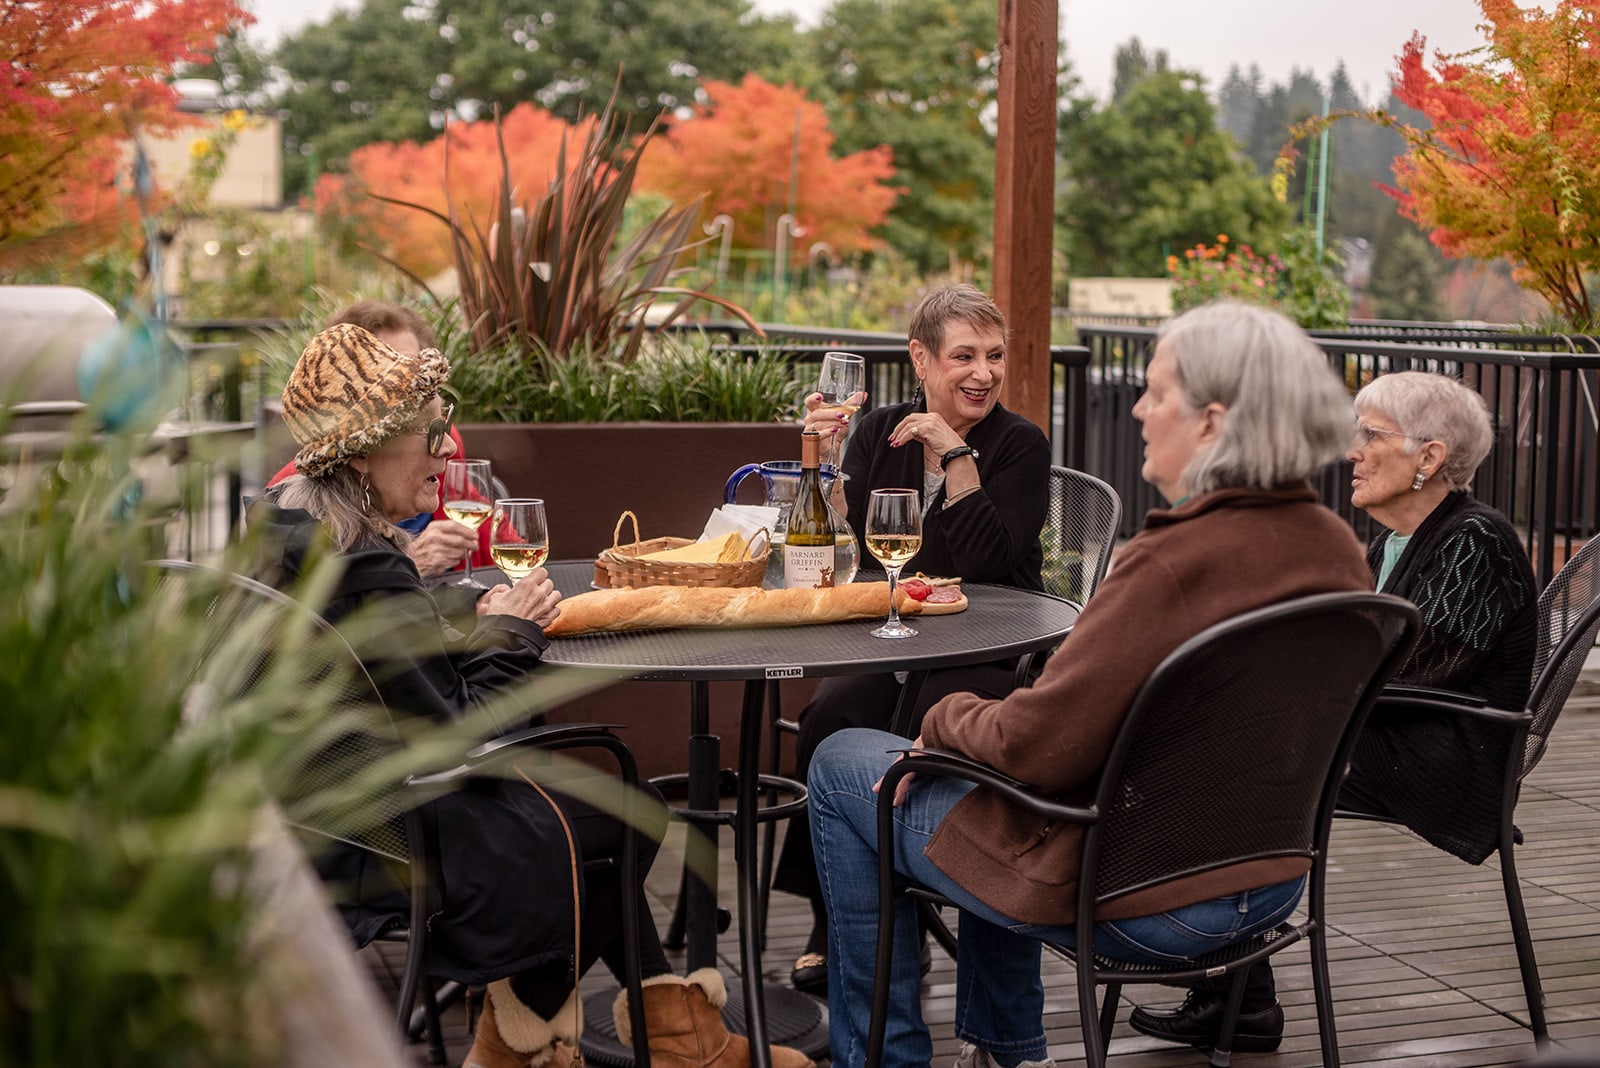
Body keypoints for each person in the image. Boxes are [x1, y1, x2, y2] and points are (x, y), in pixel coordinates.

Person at [807, 300, 1373, 1068]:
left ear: (1210, 422)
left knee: (843, 763)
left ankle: (887, 1058)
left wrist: (945, 718)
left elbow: (1032, 746)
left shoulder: (1170, 562)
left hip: (1148, 887)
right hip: (1271, 879)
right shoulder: (1338, 551)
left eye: (1157, 391)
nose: (1138, 408)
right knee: (962, 772)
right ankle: (1009, 1049)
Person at [251, 323, 814, 1068]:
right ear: (362, 450)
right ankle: (533, 1047)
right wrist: (513, 634)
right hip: (397, 843)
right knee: (624, 812)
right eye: (431, 433)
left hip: (324, 819)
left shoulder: (288, 530)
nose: (448, 450)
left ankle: (668, 1036)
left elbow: (380, 670)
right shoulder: (365, 568)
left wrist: (453, 618)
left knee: (602, 815)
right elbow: (457, 732)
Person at [1129, 370, 1539, 1055]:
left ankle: (1224, 982)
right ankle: (1233, 990)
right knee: (1219, 743)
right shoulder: (1396, 541)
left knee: (1229, 757)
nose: (1352, 451)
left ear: (1430, 459)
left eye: (1372, 436)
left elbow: (1402, 677)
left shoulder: (1475, 541)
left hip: (1446, 756)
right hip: (1392, 729)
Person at [771, 283, 1051, 995]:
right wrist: (824, 461)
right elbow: (861, 549)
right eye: (963, 356)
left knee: (916, 716)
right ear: (921, 359)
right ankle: (836, 919)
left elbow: (989, 562)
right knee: (832, 716)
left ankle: (899, 898)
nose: (983, 372)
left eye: (993, 355)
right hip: (894, 633)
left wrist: (957, 454)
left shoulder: (1018, 444)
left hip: (990, 644)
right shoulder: (883, 431)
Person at [265, 300, 484, 580]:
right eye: (384, 373)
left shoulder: (441, 439)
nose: (404, 384)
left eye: (411, 367)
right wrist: (407, 564)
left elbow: (492, 537)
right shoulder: (296, 505)